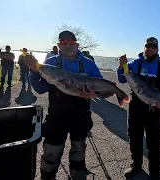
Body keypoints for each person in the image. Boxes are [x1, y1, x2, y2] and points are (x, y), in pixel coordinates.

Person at [24, 30, 103, 180]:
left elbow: (100, 84)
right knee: (51, 151)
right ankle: (47, 176)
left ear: (77, 44)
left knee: (79, 148)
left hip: (81, 116)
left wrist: (94, 94)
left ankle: (78, 173)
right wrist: (34, 71)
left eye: (71, 42)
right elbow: (40, 89)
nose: (68, 46)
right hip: (57, 116)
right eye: (64, 43)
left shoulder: (88, 63)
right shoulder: (51, 62)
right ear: (59, 45)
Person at [117, 37, 160, 180]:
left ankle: (155, 172)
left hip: (154, 109)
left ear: (157, 50)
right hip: (136, 108)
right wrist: (121, 66)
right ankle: (136, 165)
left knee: (154, 142)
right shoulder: (135, 64)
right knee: (135, 138)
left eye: (153, 47)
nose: (150, 49)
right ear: (144, 48)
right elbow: (123, 79)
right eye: (147, 46)